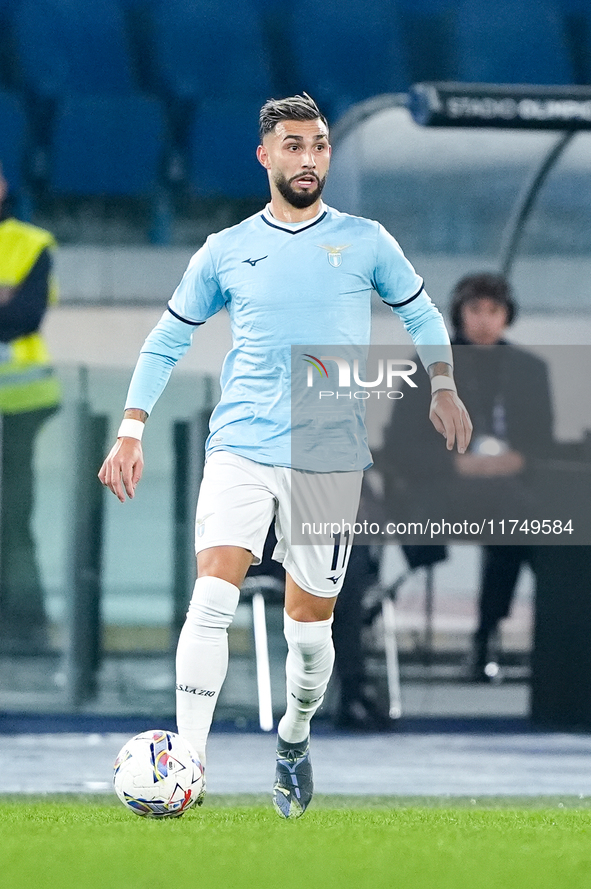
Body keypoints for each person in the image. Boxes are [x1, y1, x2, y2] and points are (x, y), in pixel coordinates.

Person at [99, 94, 471, 818]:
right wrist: (130, 427)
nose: (308, 159)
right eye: (294, 146)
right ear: (265, 156)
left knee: (308, 634)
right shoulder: (226, 248)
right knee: (211, 593)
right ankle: (191, 764)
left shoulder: (365, 240)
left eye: (320, 146)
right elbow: (167, 337)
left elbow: (421, 312)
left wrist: (445, 386)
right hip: (239, 444)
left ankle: (293, 738)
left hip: (328, 452)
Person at [381, 272, 553, 682]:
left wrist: (517, 461)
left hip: (509, 489)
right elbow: (401, 447)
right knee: (512, 512)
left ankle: (491, 634)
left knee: (523, 518)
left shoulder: (530, 370)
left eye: (493, 311)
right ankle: (480, 636)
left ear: (507, 316)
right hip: (442, 487)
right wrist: (459, 465)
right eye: (475, 310)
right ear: (459, 314)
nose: (483, 320)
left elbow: (542, 444)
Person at [0, 161, 61, 653]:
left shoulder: (30, 242)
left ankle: (26, 633)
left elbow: (23, 317)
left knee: (14, 518)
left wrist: (11, 304)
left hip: (20, 405)